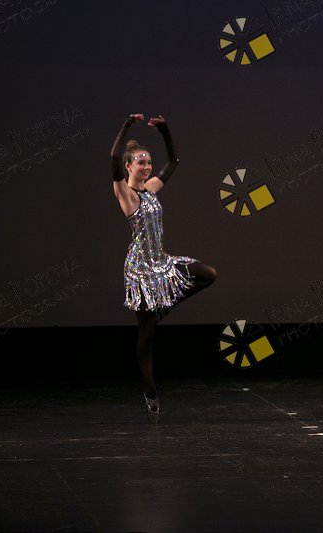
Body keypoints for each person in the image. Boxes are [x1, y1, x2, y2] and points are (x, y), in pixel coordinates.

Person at [110, 113, 217, 423]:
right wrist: (125, 126)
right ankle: (150, 393)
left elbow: (174, 161)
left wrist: (165, 129)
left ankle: (164, 306)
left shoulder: (151, 189)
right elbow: (113, 158)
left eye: (148, 162)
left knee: (208, 274)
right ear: (128, 166)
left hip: (162, 263)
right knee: (147, 337)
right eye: (140, 163)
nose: (146, 167)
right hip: (141, 272)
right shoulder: (126, 194)